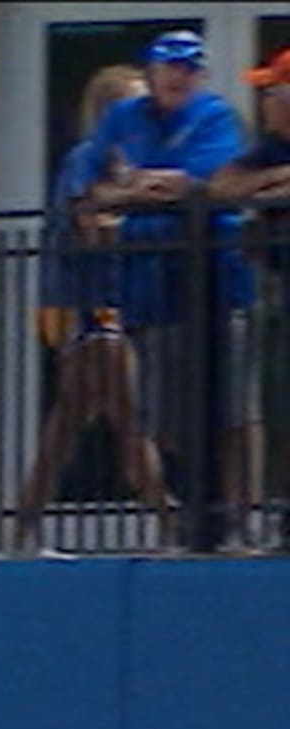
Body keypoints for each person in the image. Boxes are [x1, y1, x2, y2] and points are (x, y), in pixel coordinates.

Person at [85, 27, 254, 549]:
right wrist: (136, 188)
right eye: (169, 65)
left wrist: (142, 187)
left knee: (229, 415)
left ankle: (235, 518)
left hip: (216, 285)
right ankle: (190, 513)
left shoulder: (214, 116)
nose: (179, 75)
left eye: (189, 66)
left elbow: (206, 184)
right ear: (151, 71)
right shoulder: (124, 118)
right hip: (150, 289)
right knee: (164, 422)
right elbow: (92, 183)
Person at [18, 64, 179, 556]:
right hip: (83, 305)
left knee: (71, 420)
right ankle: (168, 521)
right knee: (127, 415)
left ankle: (24, 530)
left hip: (108, 302)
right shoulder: (87, 160)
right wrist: (143, 217)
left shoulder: (127, 164)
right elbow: (91, 226)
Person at [209, 45, 290, 540]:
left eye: (273, 93)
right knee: (279, 404)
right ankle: (284, 513)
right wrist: (279, 180)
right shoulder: (272, 149)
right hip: (279, 293)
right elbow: (223, 186)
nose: (265, 104)